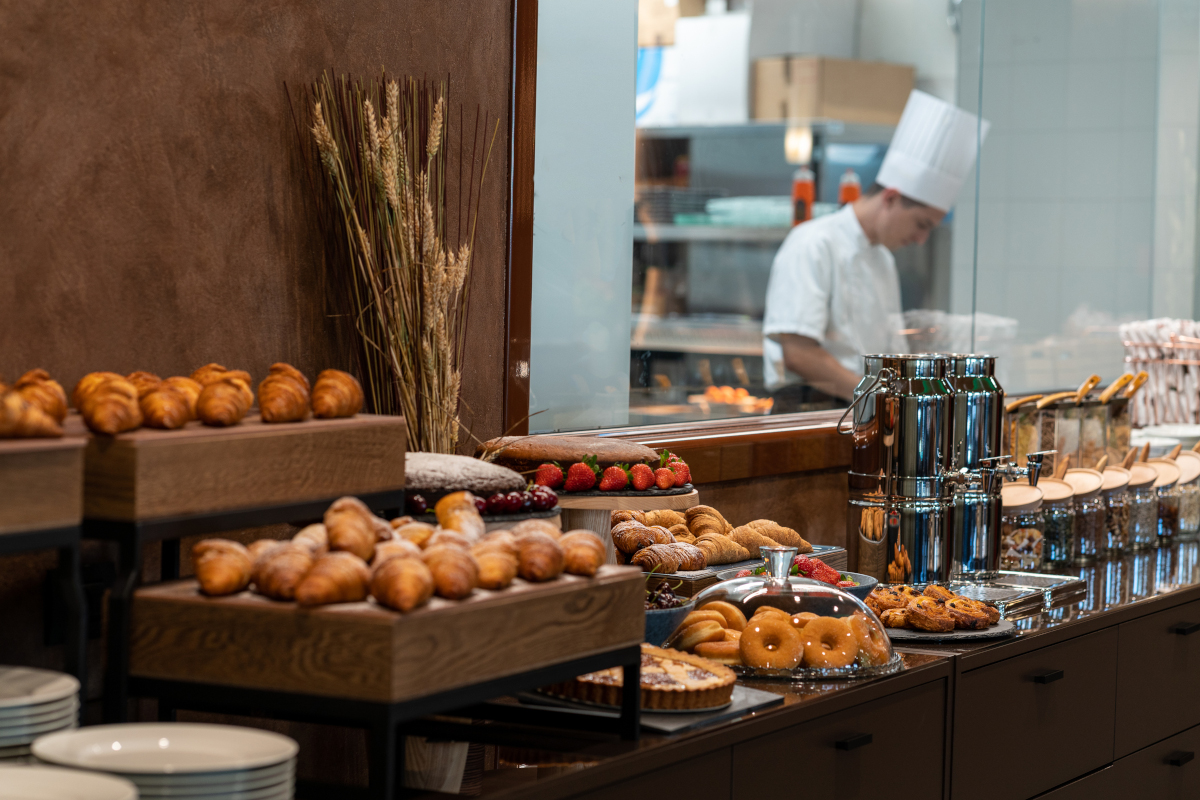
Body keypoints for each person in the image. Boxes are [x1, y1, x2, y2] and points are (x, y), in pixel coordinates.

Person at [762, 90, 988, 409]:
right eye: (921, 224)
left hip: (860, 408)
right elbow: (799, 353)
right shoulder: (813, 243)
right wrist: (880, 400)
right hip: (809, 411)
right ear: (891, 198)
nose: (921, 239)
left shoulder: (882, 257)